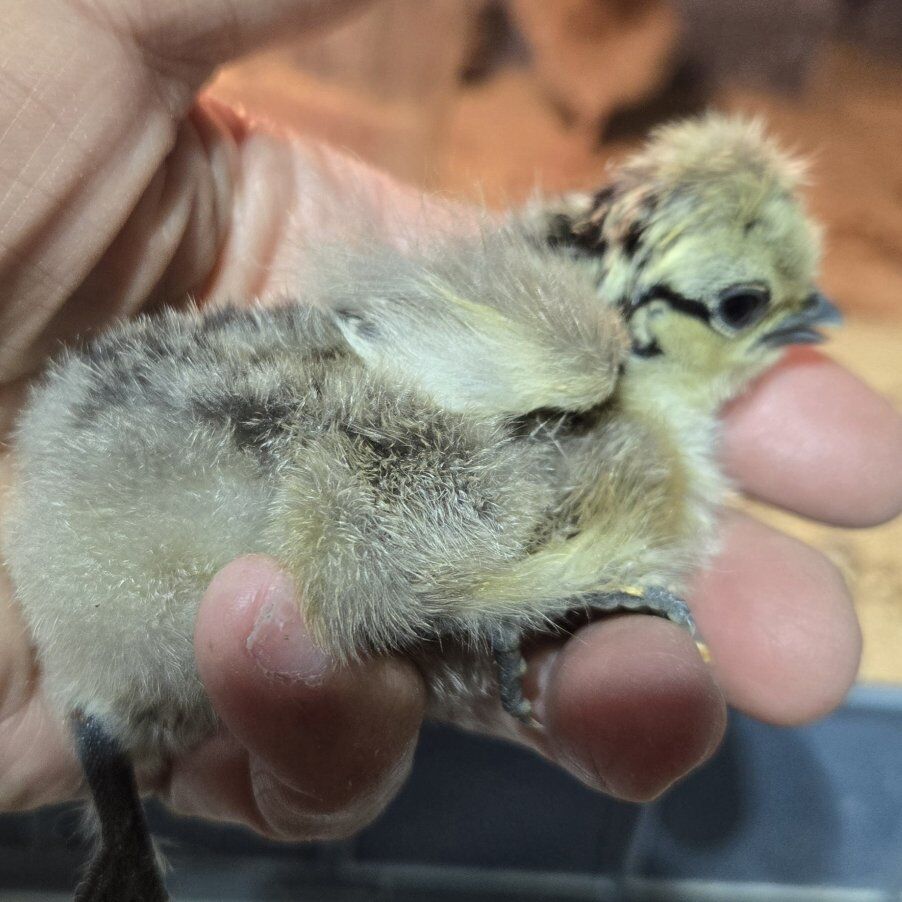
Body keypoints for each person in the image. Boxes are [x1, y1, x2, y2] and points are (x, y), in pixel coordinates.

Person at [0, 0, 898, 840]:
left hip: (130, 505)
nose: (802, 318)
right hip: (179, 506)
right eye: (744, 307)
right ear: (658, 316)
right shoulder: (585, 391)